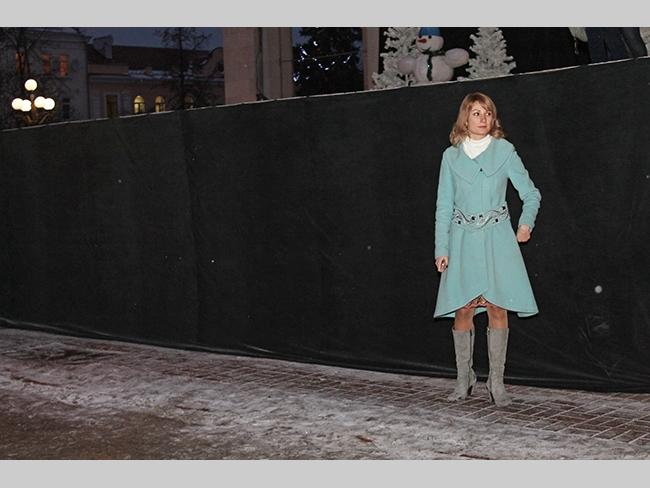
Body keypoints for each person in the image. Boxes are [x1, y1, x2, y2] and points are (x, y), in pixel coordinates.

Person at [433, 92, 541, 406]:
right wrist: (441, 247)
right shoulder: (450, 157)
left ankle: (497, 383)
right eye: (476, 113)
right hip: (462, 240)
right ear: (465, 118)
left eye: (488, 113)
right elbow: (443, 206)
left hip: (497, 240)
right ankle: (464, 379)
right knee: (463, 308)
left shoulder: (504, 151)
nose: (483, 119)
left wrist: (525, 224)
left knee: (497, 307)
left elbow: (531, 193)